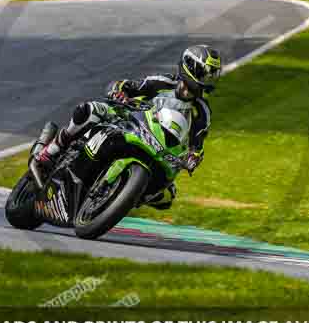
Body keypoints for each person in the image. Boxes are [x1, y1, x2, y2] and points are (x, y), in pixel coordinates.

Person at [31, 45, 223, 207]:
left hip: (159, 148)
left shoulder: (202, 110)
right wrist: (118, 92)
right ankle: (52, 150)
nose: (208, 81)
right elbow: (126, 85)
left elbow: (198, 142)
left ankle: (118, 197)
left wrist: (193, 157)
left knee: (166, 197)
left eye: (212, 77)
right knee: (88, 110)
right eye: (206, 75)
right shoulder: (164, 82)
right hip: (129, 119)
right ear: (191, 68)